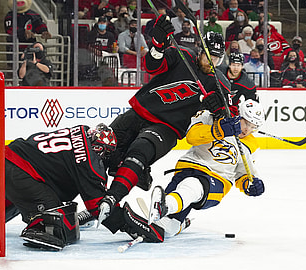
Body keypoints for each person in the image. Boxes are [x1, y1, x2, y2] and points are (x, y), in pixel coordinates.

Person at [96, 20, 232, 231]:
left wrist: (219, 110)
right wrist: (158, 44)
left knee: (138, 151)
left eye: (216, 58)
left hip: (166, 128)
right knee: (101, 150)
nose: (211, 62)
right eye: (208, 56)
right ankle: (93, 199)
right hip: (138, 113)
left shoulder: (219, 84)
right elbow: (152, 65)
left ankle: (111, 200)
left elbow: (228, 120)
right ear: (200, 51)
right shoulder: (182, 56)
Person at [0, 124, 118, 250]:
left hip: (5, 160)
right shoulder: (88, 159)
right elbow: (95, 203)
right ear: (100, 148)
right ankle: (38, 228)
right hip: (15, 169)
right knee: (56, 220)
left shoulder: (80, 131)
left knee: (26, 193)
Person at [147, 100, 265, 237]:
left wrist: (250, 185)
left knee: (193, 185)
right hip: (188, 167)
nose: (247, 130)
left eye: (253, 127)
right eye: (246, 123)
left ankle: (165, 205)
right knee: (168, 225)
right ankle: (175, 221)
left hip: (217, 180)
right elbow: (192, 136)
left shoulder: (252, 145)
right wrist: (220, 129)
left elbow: (242, 174)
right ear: (238, 115)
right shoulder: (212, 117)